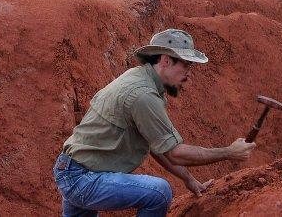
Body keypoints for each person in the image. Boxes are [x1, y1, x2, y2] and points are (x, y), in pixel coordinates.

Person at [53, 29, 256, 216]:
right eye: (185, 65)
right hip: (82, 178)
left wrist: (189, 179)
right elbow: (174, 152)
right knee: (159, 192)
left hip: (74, 171)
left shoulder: (138, 78)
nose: (188, 74)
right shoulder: (143, 95)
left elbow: (157, 146)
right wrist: (229, 152)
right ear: (166, 61)